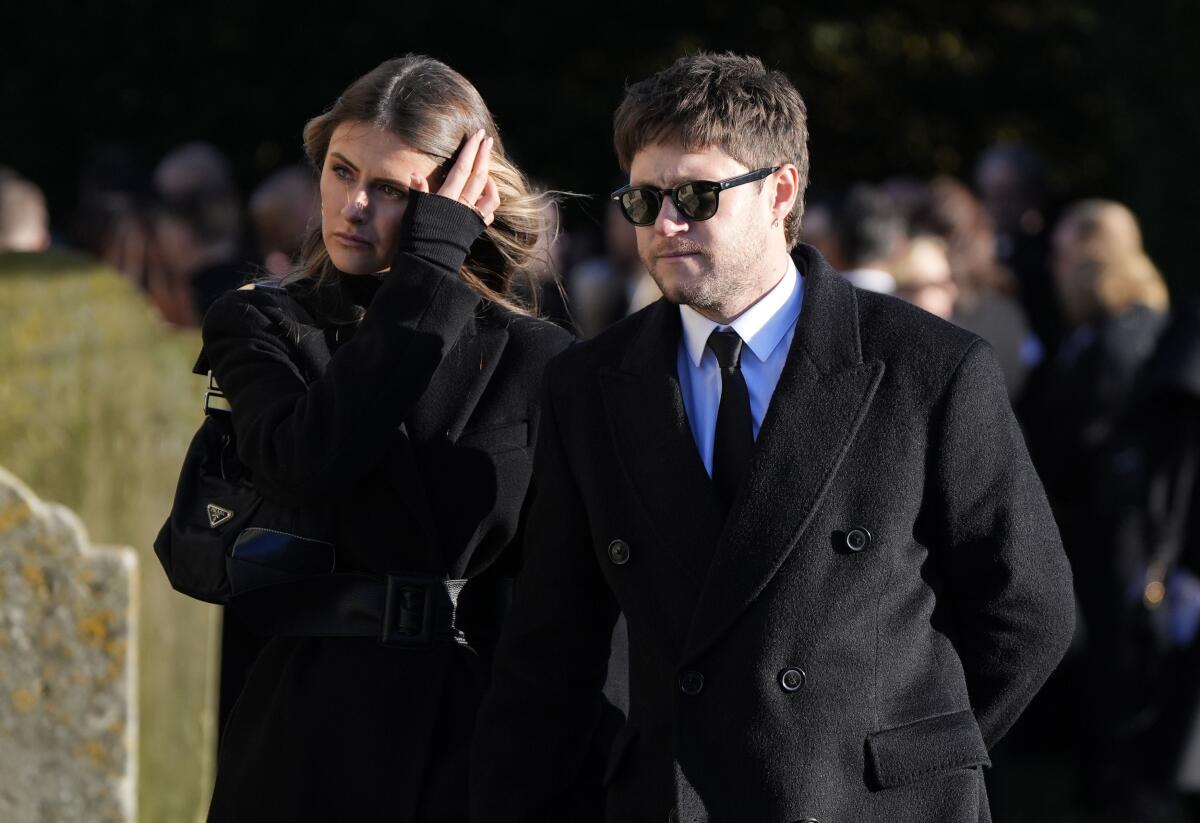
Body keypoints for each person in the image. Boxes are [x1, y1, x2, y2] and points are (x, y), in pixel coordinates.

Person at [471, 52, 1074, 822]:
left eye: (694, 196)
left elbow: (1028, 608)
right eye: (643, 200)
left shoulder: (930, 367)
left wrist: (902, 761)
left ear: (781, 191)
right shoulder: (589, 386)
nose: (665, 225)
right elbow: (549, 649)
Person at [199, 55, 571, 822]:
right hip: (303, 741)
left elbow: (559, 586)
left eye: (394, 189)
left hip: (474, 744)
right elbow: (309, 460)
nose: (354, 205)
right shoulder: (264, 323)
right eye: (341, 170)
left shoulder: (538, 357)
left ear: (466, 202)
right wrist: (429, 266)